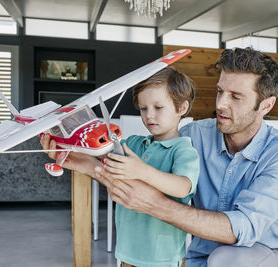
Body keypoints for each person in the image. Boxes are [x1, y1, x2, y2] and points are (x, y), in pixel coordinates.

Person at [94, 48, 278, 267]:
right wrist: (78, 152)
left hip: (259, 255)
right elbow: (143, 165)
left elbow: (243, 227)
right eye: (220, 91)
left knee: (226, 260)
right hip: (200, 258)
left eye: (236, 96)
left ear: (266, 105)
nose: (220, 104)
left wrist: (154, 204)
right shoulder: (192, 136)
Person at [41, 66, 199, 267]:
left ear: (182, 108)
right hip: (127, 254)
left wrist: (142, 171)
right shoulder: (132, 143)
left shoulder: (184, 150)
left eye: (158, 107)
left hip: (163, 259)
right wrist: (70, 156)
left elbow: (183, 186)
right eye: (143, 108)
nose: (149, 115)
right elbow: (101, 164)